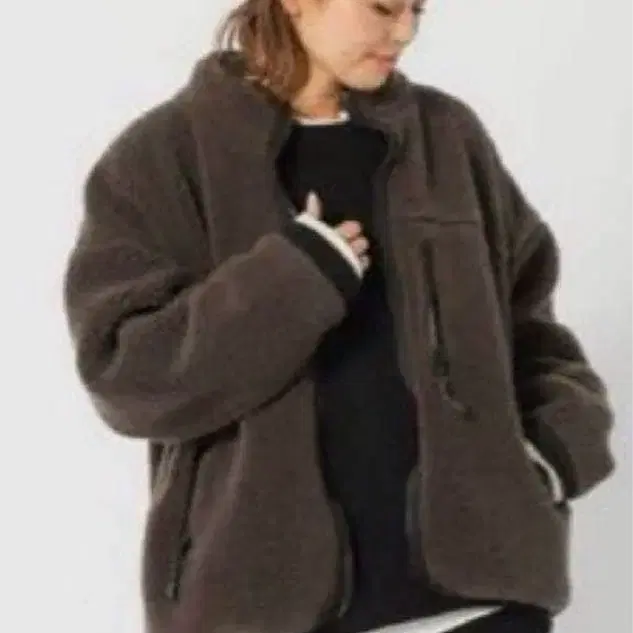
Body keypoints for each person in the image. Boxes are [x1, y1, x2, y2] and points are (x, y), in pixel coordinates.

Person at [62, 1, 616, 632]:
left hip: (484, 602)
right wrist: (296, 280)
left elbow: (533, 326)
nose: (404, 30)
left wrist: (554, 451)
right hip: (261, 609)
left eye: (417, 8)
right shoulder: (162, 157)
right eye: (382, 6)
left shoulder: (446, 138)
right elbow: (126, 374)